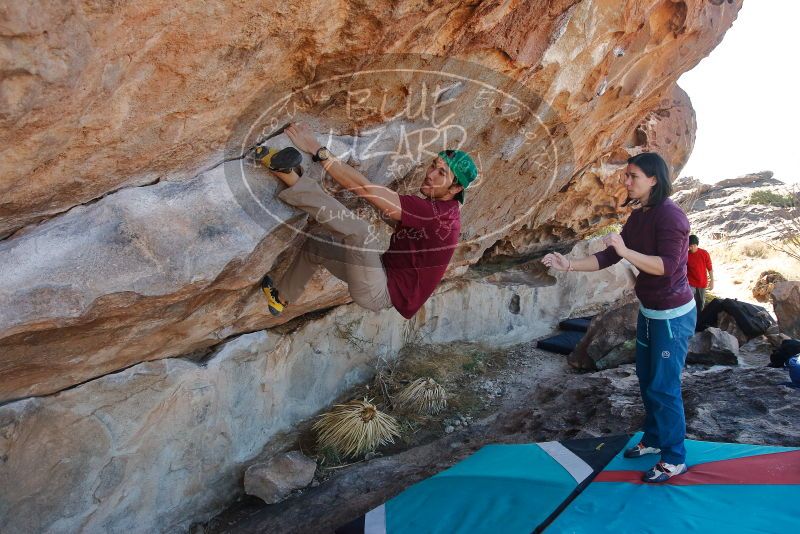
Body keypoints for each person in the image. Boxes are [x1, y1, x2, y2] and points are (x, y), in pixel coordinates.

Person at [542, 152, 695, 483]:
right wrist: (569, 265)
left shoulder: (672, 218)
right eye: (626, 175)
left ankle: (675, 457)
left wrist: (626, 252)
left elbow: (666, 266)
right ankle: (654, 440)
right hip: (650, 312)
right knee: (646, 378)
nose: (626, 181)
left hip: (672, 316)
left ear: (654, 179)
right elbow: (610, 256)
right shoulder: (640, 216)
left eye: (633, 176)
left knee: (664, 385)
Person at [260, 122, 478, 320]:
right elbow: (381, 206)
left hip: (378, 290)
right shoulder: (442, 213)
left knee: (359, 231)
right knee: (317, 246)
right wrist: (374, 198)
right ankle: (280, 298)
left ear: (456, 188)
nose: (430, 174)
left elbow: (366, 190)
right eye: (433, 165)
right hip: (379, 276)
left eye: (442, 173)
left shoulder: (437, 215)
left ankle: (290, 177)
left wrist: (316, 149)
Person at [687, 234, 713, 311]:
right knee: (689, 302)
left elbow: (710, 267)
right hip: (690, 283)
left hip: (702, 283)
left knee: (701, 302)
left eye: (691, 246)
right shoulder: (686, 255)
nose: (689, 248)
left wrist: (712, 280)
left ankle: (700, 319)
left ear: (695, 245)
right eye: (688, 246)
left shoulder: (704, 253)